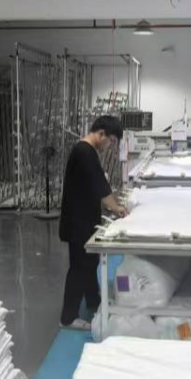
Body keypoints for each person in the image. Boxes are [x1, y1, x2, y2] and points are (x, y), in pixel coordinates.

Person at [58, 115, 128, 329]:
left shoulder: (85, 151)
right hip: (78, 222)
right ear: (101, 134)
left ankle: (93, 301)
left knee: (90, 263)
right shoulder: (85, 152)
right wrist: (117, 208)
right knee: (79, 268)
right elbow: (101, 187)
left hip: (83, 219)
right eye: (111, 141)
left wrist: (113, 205)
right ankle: (67, 318)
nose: (110, 147)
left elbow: (96, 185)